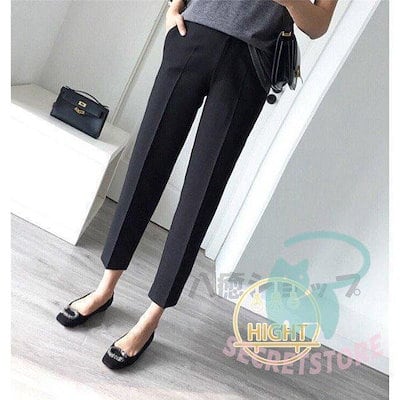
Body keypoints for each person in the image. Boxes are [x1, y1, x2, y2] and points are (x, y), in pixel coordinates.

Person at [56, 0, 338, 370]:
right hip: (192, 35)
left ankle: (152, 316)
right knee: (146, 164)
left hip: (248, 61)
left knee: (202, 189)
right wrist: (174, 8)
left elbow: (318, 24)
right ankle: (105, 287)